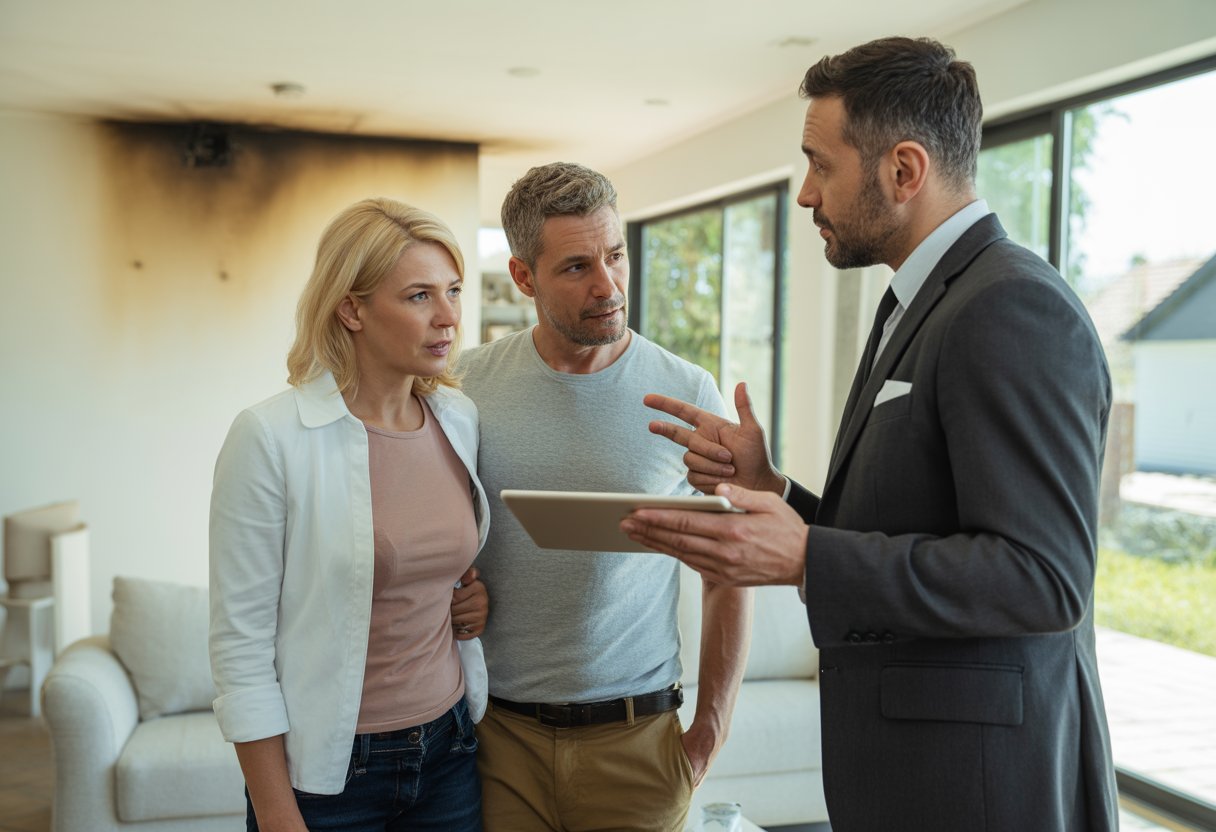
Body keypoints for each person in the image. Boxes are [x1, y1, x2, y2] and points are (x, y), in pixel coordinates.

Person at [621, 37, 1119, 832]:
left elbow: (1043, 577)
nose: (806, 195)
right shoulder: (915, 304)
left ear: (904, 170)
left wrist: (807, 555)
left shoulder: (1010, 308)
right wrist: (773, 490)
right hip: (912, 776)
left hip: (978, 790)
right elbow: (920, 523)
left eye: (821, 164)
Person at [458, 162, 753, 832]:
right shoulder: (464, 387)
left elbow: (728, 570)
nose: (608, 285)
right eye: (576, 267)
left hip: (638, 743)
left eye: (615, 255)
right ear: (524, 276)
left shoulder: (689, 393)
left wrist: (708, 732)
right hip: (498, 743)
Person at [209, 197, 492, 832]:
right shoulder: (270, 436)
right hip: (330, 777)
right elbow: (240, 648)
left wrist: (467, 600)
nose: (448, 318)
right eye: (419, 296)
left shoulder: (459, 420)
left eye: (453, 291)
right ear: (351, 308)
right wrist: (279, 815)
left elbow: (428, 567)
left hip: (449, 752)